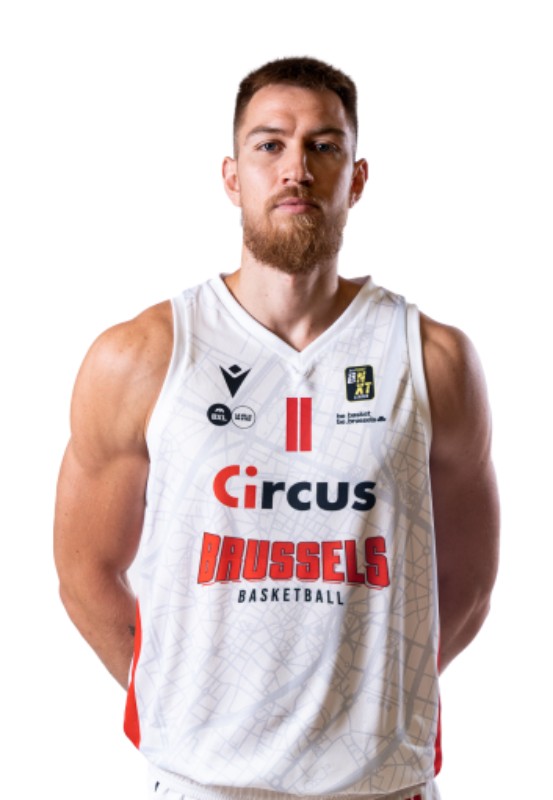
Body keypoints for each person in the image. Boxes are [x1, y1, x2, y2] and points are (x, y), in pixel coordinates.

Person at [54, 57, 500, 800]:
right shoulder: (142, 356)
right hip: (201, 782)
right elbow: (85, 572)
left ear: (356, 178)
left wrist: (370, 708)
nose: (297, 169)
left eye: (324, 146)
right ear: (232, 177)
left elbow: (468, 584)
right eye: (270, 145)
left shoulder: (432, 359)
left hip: (380, 785)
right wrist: (180, 700)